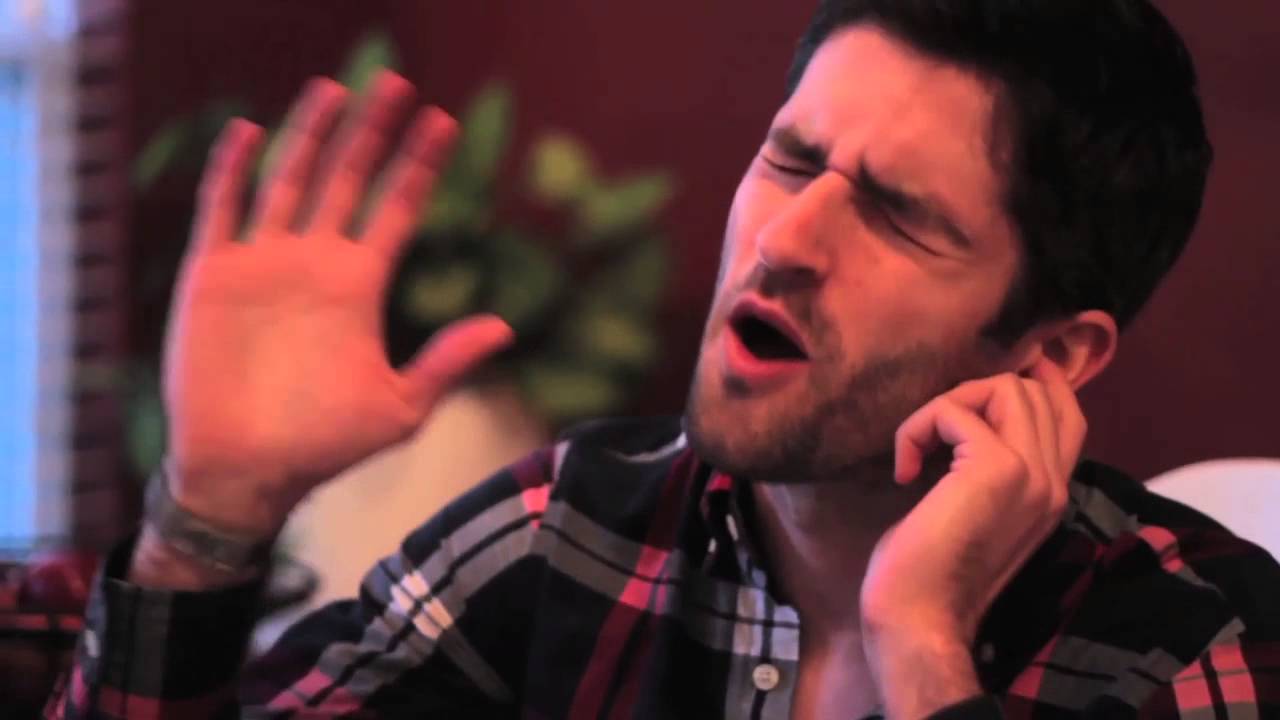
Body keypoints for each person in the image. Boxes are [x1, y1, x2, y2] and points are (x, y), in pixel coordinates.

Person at [49, 1, 1280, 718]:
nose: (784, 239)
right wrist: (208, 518)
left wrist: (919, 645)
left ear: (1052, 352)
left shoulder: (1184, 640)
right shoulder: (570, 531)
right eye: (790, 160)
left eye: (896, 214)